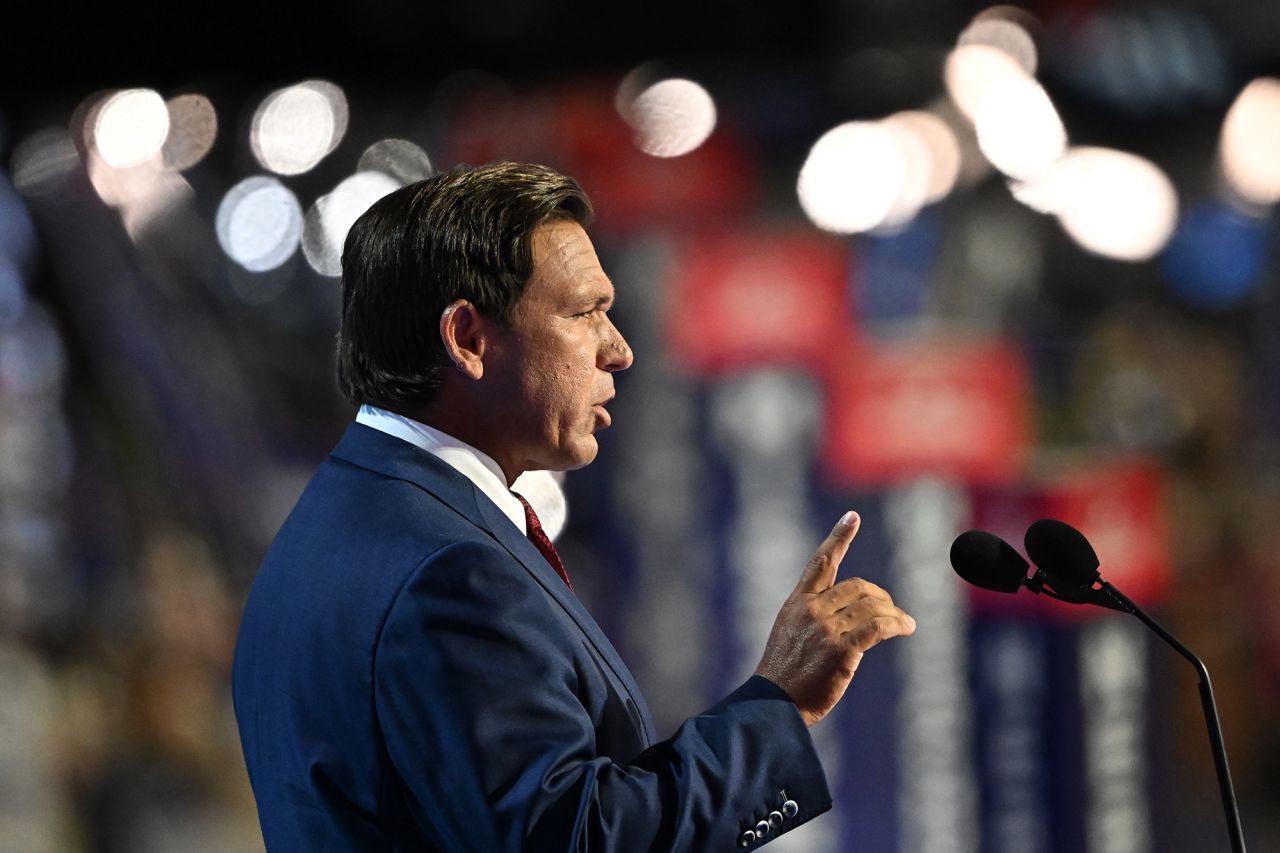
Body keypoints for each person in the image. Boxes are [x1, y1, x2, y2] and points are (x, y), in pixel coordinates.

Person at [232, 162, 917, 851]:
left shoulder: (340, 513)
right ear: (468, 338)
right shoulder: (449, 571)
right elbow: (578, 838)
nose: (618, 349)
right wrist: (780, 702)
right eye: (586, 312)